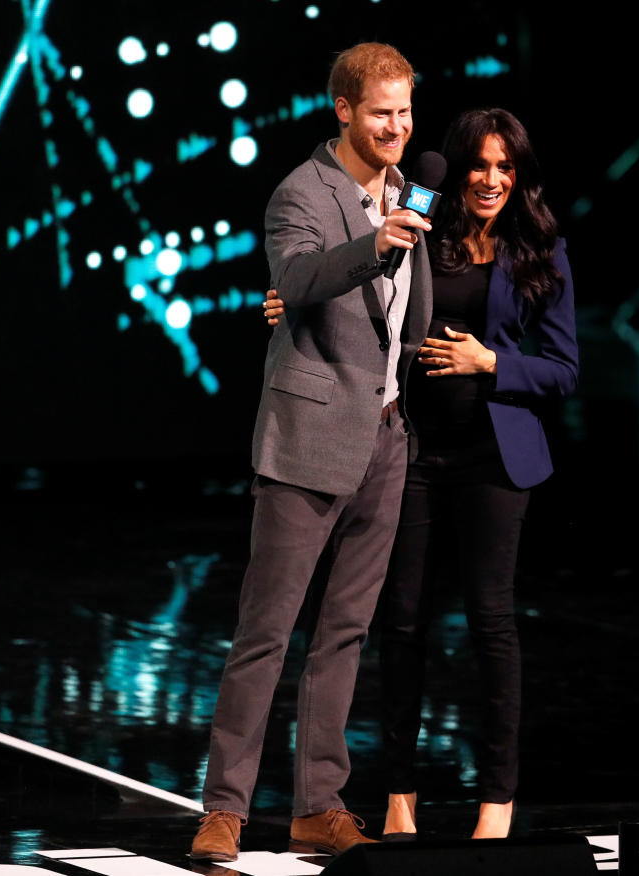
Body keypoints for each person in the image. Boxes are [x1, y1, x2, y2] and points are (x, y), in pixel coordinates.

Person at [264, 108, 578, 842]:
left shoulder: (543, 252)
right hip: (410, 449)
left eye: (506, 168)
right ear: (459, 168)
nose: (492, 180)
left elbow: (564, 370)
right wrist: (293, 297)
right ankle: (399, 794)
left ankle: (495, 800)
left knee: (491, 623)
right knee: (400, 625)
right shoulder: (421, 230)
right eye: (480, 165)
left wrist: (492, 361)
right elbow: (361, 289)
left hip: (497, 460)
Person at [192, 42, 433, 863]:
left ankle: (317, 805)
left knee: (346, 632)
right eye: (380, 113)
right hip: (306, 440)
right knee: (267, 629)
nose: (396, 127)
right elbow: (294, 278)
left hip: (386, 437)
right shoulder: (303, 191)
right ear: (342, 110)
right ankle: (224, 805)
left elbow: (404, 315)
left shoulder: (407, 191)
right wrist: (373, 245)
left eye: (404, 112)